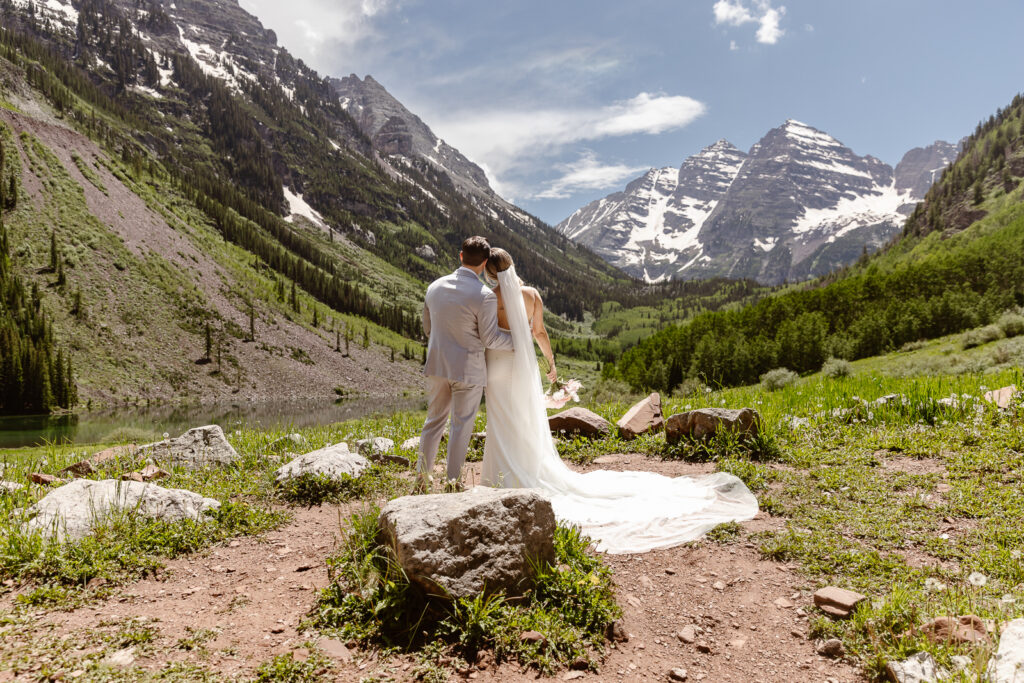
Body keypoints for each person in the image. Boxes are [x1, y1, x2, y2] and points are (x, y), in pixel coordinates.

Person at [480, 249, 759, 554]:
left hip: (496, 366)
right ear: (512, 265)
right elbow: (539, 332)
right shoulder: (530, 294)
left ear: (489, 273)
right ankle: (528, 468)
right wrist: (551, 364)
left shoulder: (485, 297)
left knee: (501, 418)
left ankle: (498, 476)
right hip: (523, 368)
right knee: (526, 418)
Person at [416, 236, 513, 493]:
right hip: (468, 370)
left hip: (437, 365)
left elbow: (428, 329)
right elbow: (490, 338)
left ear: (460, 256)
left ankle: (422, 480)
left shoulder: (433, 287)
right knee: (461, 426)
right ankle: (452, 483)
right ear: (484, 263)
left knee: (433, 422)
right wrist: (518, 340)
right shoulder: (484, 296)